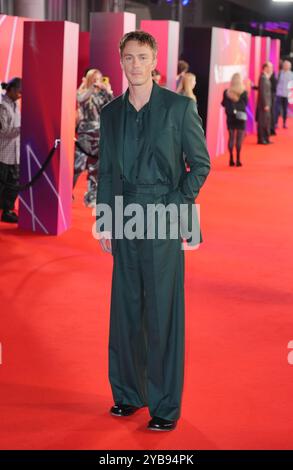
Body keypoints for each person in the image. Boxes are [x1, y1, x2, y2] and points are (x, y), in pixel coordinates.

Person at [96, 31, 210, 431]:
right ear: (121, 60)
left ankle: (164, 404)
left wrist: (177, 208)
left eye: (142, 57)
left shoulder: (179, 108)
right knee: (125, 310)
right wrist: (105, 220)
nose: (135, 65)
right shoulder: (110, 113)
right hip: (124, 217)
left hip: (163, 216)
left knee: (162, 311)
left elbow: (200, 164)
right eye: (128, 58)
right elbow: (106, 171)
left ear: (155, 58)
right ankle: (128, 393)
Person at [73, 68, 113, 207]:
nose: (98, 81)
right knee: (78, 165)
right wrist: (91, 87)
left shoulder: (102, 94)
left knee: (96, 167)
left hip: (100, 133)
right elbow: (80, 99)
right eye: (95, 78)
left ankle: (91, 197)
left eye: (100, 78)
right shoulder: (83, 91)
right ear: (90, 79)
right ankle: (66, 192)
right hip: (85, 134)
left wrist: (108, 91)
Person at [0, 78, 22, 223]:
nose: (21, 94)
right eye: (19, 91)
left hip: (15, 153)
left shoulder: (15, 105)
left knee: (13, 185)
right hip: (2, 154)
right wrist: (22, 129)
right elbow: (3, 131)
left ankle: (7, 211)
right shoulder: (2, 106)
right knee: (2, 184)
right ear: (12, 89)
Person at [221, 73, 248, 167]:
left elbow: (223, 104)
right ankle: (238, 159)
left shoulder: (226, 92)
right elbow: (245, 105)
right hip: (241, 117)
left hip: (230, 117)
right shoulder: (244, 92)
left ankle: (231, 159)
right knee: (239, 139)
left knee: (231, 137)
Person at [256, 62, 272, 145]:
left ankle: (266, 138)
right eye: (270, 67)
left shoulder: (266, 77)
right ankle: (261, 139)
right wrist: (265, 104)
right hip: (263, 105)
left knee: (266, 122)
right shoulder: (262, 78)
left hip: (267, 104)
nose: (271, 69)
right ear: (265, 68)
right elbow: (262, 92)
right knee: (262, 122)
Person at [275, 60, 293, 129]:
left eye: (287, 65)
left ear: (289, 67)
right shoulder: (279, 73)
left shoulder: (291, 75)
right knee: (277, 109)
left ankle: (284, 123)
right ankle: (276, 123)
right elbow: (275, 82)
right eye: (285, 65)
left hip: (286, 95)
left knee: (285, 110)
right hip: (279, 94)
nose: (286, 66)